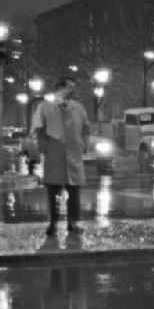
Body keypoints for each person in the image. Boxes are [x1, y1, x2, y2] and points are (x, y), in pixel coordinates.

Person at [31, 76, 90, 236]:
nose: (73, 90)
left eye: (74, 87)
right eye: (70, 87)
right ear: (60, 88)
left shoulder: (78, 107)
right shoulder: (45, 106)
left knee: (74, 191)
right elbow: (38, 129)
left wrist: (84, 144)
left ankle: (73, 222)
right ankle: (52, 223)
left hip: (74, 152)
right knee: (52, 191)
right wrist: (44, 148)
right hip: (54, 153)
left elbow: (86, 128)